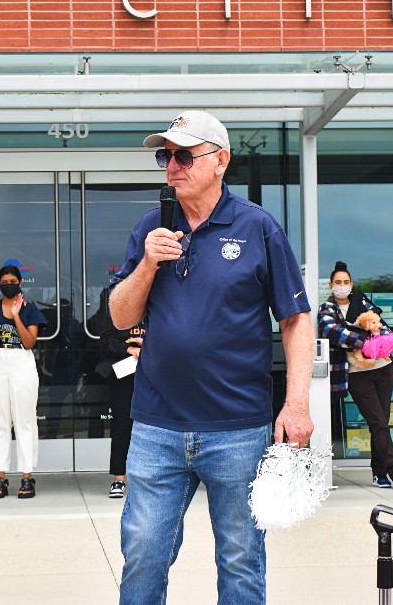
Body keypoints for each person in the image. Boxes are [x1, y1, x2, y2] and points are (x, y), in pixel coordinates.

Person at [110, 110, 313, 603]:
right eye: (165, 156)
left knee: (241, 559)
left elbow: (296, 319)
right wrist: (147, 264)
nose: (171, 166)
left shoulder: (258, 227)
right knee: (143, 552)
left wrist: (296, 404)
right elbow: (119, 316)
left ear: (221, 160)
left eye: (184, 156)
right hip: (157, 426)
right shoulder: (151, 227)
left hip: (237, 429)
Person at [318, 261, 393, 490]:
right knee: (378, 422)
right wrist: (365, 341)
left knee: (381, 423)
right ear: (330, 285)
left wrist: (372, 337)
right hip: (357, 374)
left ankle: (379, 473)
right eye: (338, 282)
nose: (342, 286)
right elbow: (332, 332)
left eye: (346, 282)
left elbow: (383, 328)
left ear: (351, 284)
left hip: (383, 368)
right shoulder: (326, 309)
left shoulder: (362, 302)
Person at [0, 263, 47, 499]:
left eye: (13, 282)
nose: (9, 285)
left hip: (21, 361)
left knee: (24, 420)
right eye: (4, 283)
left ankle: (27, 477)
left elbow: (29, 342)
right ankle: (1, 476)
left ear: (20, 283)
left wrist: (16, 316)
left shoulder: (30, 309)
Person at [89, 288, 144, 499]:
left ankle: (149, 478)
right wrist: (128, 348)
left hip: (154, 376)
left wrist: (145, 344)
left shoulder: (157, 310)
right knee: (122, 426)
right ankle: (119, 479)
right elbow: (105, 341)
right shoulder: (116, 313)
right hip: (123, 376)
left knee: (154, 428)